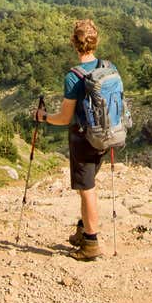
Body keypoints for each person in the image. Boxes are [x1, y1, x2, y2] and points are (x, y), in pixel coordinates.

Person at [32, 19, 109, 261]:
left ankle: (91, 243)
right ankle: (83, 229)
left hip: (83, 139)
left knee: (87, 190)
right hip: (106, 135)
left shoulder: (73, 77)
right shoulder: (108, 67)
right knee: (88, 185)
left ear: (74, 43)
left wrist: (43, 117)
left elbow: (64, 118)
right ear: (95, 42)